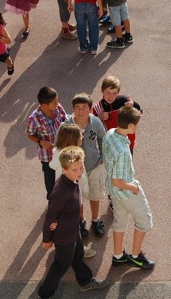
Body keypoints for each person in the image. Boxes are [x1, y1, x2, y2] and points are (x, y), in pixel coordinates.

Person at [37, 146, 108, 298]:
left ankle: (85, 281)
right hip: (64, 236)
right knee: (61, 265)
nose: (80, 171)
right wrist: (47, 239)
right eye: (75, 169)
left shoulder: (71, 181)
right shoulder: (61, 191)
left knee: (78, 255)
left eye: (80, 167)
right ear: (64, 170)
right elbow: (51, 216)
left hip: (72, 229)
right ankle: (44, 293)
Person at [102, 105, 155, 269]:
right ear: (131, 126)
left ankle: (118, 256)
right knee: (144, 221)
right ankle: (136, 256)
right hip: (125, 191)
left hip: (114, 194)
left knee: (120, 221)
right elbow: (117, 181)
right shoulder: (124, 151)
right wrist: (134, 188)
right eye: (136, 125)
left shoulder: (110, 133)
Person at [47, 124, 97, 259]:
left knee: (69, 225)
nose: (82, 136)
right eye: (80, 135)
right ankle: (73, 250)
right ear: (73, 139)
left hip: (71, 194)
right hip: (69, 197)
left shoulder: (67, 155)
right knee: (70, 225)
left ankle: (69, 247)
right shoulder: (66, 159)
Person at [63, 93, 108, 238]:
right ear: (72, 109)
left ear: (90, 109)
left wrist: (102, 156)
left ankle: (95, 220)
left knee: (95, 194)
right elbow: (60, 144)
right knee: (79, 197)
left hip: (93, 165)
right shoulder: (67, 125)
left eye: (84, 107)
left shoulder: (95, 122)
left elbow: (103, 138)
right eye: (77, 107)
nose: (81, 111)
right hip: (76, 171)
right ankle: (81, 221)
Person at [27, 87, 68, 200]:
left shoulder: (58, 108)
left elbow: (66, 121)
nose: (57, 103)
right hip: (47, 156)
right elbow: (30, 134)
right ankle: (52, 202)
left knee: (64, 177)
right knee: (50, 182)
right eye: (54, 102)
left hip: (62, 151)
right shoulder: (34, 118)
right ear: (44, 105)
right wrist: (41, 142)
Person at [92, 76, 142, 153]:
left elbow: (139, 112)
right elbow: (92, 127)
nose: (111, 96)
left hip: (127, 142)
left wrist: (133, 106)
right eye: (108, 92)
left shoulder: (124, 101)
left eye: (114, 93)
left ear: (118, 92)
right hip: (111, 144)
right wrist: (99, 118)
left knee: (128, 163)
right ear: (102, 90)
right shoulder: (98, 107)